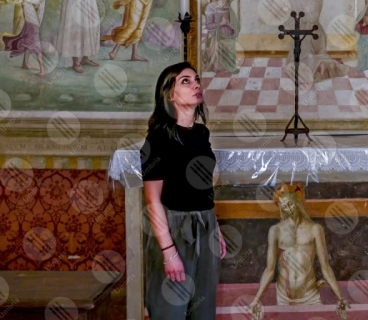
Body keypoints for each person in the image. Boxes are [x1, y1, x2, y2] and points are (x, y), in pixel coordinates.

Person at [141, 62, 227, 320]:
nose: (196, 85)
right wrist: (169, 253)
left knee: (203, 309)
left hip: (206, 225)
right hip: (175, 227)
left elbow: (202, 186)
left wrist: (216, 228)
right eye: (185, 81)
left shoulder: (201, 133)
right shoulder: (157, 139)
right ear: (170, 94)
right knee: (171, 309)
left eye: (197, 80)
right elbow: (152, 200)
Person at [249, 184, 349, 320]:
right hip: (284, 295)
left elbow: (325, 266)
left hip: (310, 294)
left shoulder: (315, 229)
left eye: (290, 205)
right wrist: (256, 300)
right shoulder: (276, 230)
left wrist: (340, 297)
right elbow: (269, 269)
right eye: (284, 207)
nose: (288, 210)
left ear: (297, 203)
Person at [202, 0, 240, 74]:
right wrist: (221, 23)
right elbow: (209, 25)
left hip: (228, 33)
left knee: (230, 50)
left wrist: (229, 24)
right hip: (216, 34)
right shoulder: (211, 7)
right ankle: (218, 67)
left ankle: (230, 67)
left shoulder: (228, 7)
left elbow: (235, 22)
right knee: (218, 49)